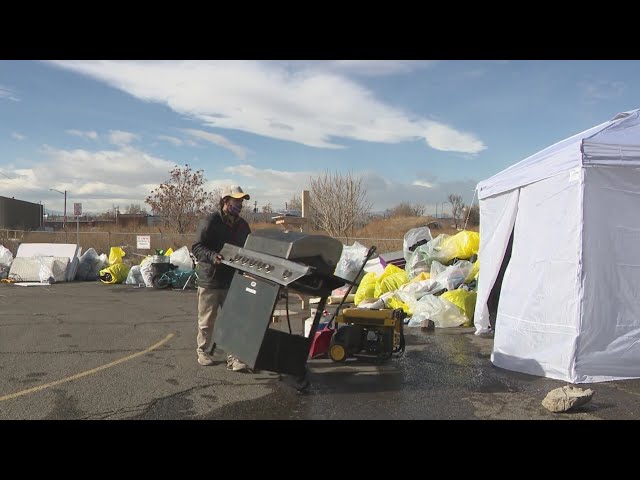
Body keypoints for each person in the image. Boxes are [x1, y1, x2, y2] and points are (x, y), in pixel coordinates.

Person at [192, 185, 252, 372]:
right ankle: (203, 351)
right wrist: (212, 256)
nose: (240, 205)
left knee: (233, 319)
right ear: (225, 201)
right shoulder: (211, 221)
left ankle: (233, 358)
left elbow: (248, 249)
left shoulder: (243, 226)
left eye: (241, 201)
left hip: (232, 280)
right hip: (210, 280)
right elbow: (197, 247)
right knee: (207, 321)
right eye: (236, 201)